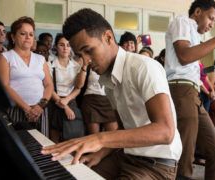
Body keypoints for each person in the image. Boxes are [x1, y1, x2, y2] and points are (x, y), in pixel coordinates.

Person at [41, 9, 182, 179]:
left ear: (108, 37)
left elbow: (165, 131)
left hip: (155, 164)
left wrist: (100, 139)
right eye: (80, 55)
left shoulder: (143, 67)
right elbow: (125, 128)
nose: (85, 61)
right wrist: (100, 154)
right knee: (73, 173)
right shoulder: (108, 80)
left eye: (89, 50)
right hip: (126, 156)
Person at [164, 0, 215, 179]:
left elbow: (194, 71)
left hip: (192, 93)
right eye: (211, 18)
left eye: (214, 22)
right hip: (180, 90)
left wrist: (207, 89)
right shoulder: (182, 22)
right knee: (185, 156)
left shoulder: (196, 35)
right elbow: (184, 56)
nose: (212, 24)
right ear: (197, 11)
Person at [0, 16, 54, 136]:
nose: (28, 37)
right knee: (19, 149)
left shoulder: (40, 59)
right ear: (13, 37)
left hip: (40, 111)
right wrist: (27, 109)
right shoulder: (6, 57)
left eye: (31, 34)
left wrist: (40, 106)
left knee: (42, 148)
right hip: (16, 110)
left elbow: (49, 84)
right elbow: (4, 86)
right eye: (23, 33)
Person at [48, 33, 84, 142]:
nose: (65, 48)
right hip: (54, 101)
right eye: (61, 45)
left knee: (72, 134)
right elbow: (49, 88)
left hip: (71, 99)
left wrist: (67, 101)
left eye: (68, 45)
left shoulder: (76, 66)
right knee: (54, 136)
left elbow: (78, 88)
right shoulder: (49, 64)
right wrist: (64, 106)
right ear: (56, 46)